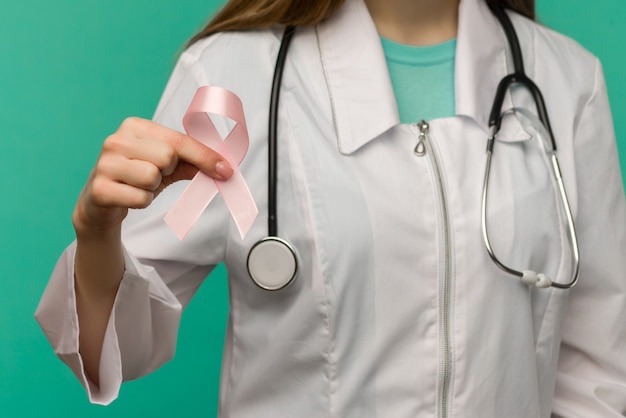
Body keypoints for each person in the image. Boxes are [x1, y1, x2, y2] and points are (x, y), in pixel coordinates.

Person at [36, 0, 626, 416]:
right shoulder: (232, 86)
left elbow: (598, 373)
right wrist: (97, 234)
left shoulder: (566, 83)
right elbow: (111, 352)